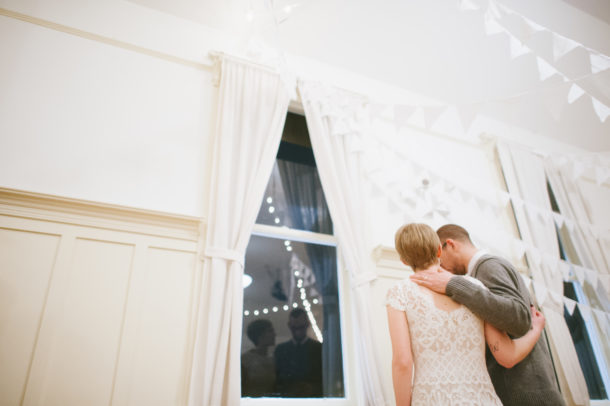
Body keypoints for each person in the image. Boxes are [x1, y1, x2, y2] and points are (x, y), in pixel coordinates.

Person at [387, 223, 546, 405]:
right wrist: (535, 329)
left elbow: (402, 362)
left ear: (404, 261)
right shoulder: (474, 287)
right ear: (439, 250)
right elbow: (506, 356)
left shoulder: (400, 292)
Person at [274, 308, 322, 397]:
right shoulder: (280, 349)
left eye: (301, 326)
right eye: (294, 327)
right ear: (289, 325)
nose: (297, 330)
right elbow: (278, 378)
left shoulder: (319, 348)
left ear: (307, 324)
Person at [241, 319, 277, 397]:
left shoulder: (273, 360)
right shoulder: (245, 360)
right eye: (270, 331)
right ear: (260, 335)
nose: (274, 334)